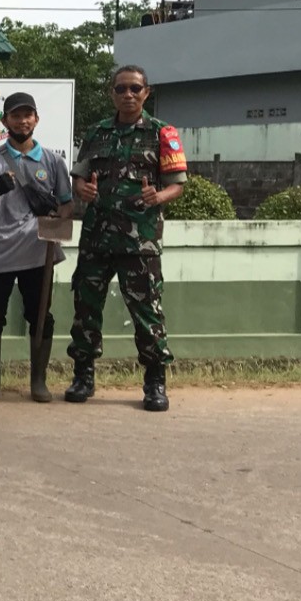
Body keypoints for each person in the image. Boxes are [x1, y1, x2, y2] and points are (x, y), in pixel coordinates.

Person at [67, 63, 182, 410]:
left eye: (135, 88)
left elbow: (177, 185)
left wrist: (157, 197)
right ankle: (83, 376)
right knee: (86, 310)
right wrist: (82, 190)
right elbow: (79, 177)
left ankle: (154, 382)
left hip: (139, 241)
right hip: (96, 239)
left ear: (147, 92)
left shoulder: (163, 133)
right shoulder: (96, 133)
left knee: (148, 314)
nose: (128, 95)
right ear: (112, 94)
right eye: (121, 89)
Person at [0, 86, 73, 398]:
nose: (22, 121)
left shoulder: (53, 161)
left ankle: (38, 381)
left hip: (38, 254)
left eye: (27, 115)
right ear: (5, 121)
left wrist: (55, 220)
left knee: (40, 314)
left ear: (36, 119)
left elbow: (67, 205)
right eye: (16, 115)